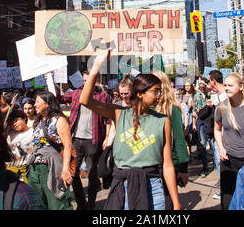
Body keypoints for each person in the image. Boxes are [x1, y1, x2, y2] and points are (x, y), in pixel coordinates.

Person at [79, 49, 181, 210]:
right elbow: (85, 100)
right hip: (123, 187)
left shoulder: (163, 121)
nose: (160, 95)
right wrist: (97, 65)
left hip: (153, 187)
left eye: (160, 91)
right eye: (155, 91)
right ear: (140, 93)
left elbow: (167, 164)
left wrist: (176, 203)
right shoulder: (119, 114)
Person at [57, 70, 111, 210]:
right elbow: (60, 98)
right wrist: (50, 80)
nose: (86, 83)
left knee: (92, 173)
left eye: (89, 80)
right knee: (72, 172)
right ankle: (81, 203)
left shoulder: (103, 97)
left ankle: (91, 204)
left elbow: (108, 119)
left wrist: (107, 137)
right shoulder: (76, 93)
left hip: (93, 139)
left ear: (95, 80)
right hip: (76, 139)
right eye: (85, 80)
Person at [214, 72, 244, 210]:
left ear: (242, 87)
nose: (226, 88)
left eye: (230, 85)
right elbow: (217, 130)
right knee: (228, 201)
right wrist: (221, 148)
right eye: (225, 85)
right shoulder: (221, 107)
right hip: (228, 160)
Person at [26, 92, 73, 210]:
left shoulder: (59, 120)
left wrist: (65, 170)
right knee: (37, 204)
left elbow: (67, 146)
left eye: (38, 102)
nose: (35, 105)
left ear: (47, 104)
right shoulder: (38, 122)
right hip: (34, 170)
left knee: (57, 203)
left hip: (52, 168)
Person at [152, 70, 190, 192]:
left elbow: (179, 140)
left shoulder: (172, 109)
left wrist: (183, 169)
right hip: (150, 166)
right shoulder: (146, 109)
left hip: (169, 165)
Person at [6, 110, 33, 182]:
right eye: (11, 123)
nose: (14, 124)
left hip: (28, 169)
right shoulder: (10, 136)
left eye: (16, 120)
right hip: (14, 169)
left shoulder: (33, 133)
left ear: (24, 118)